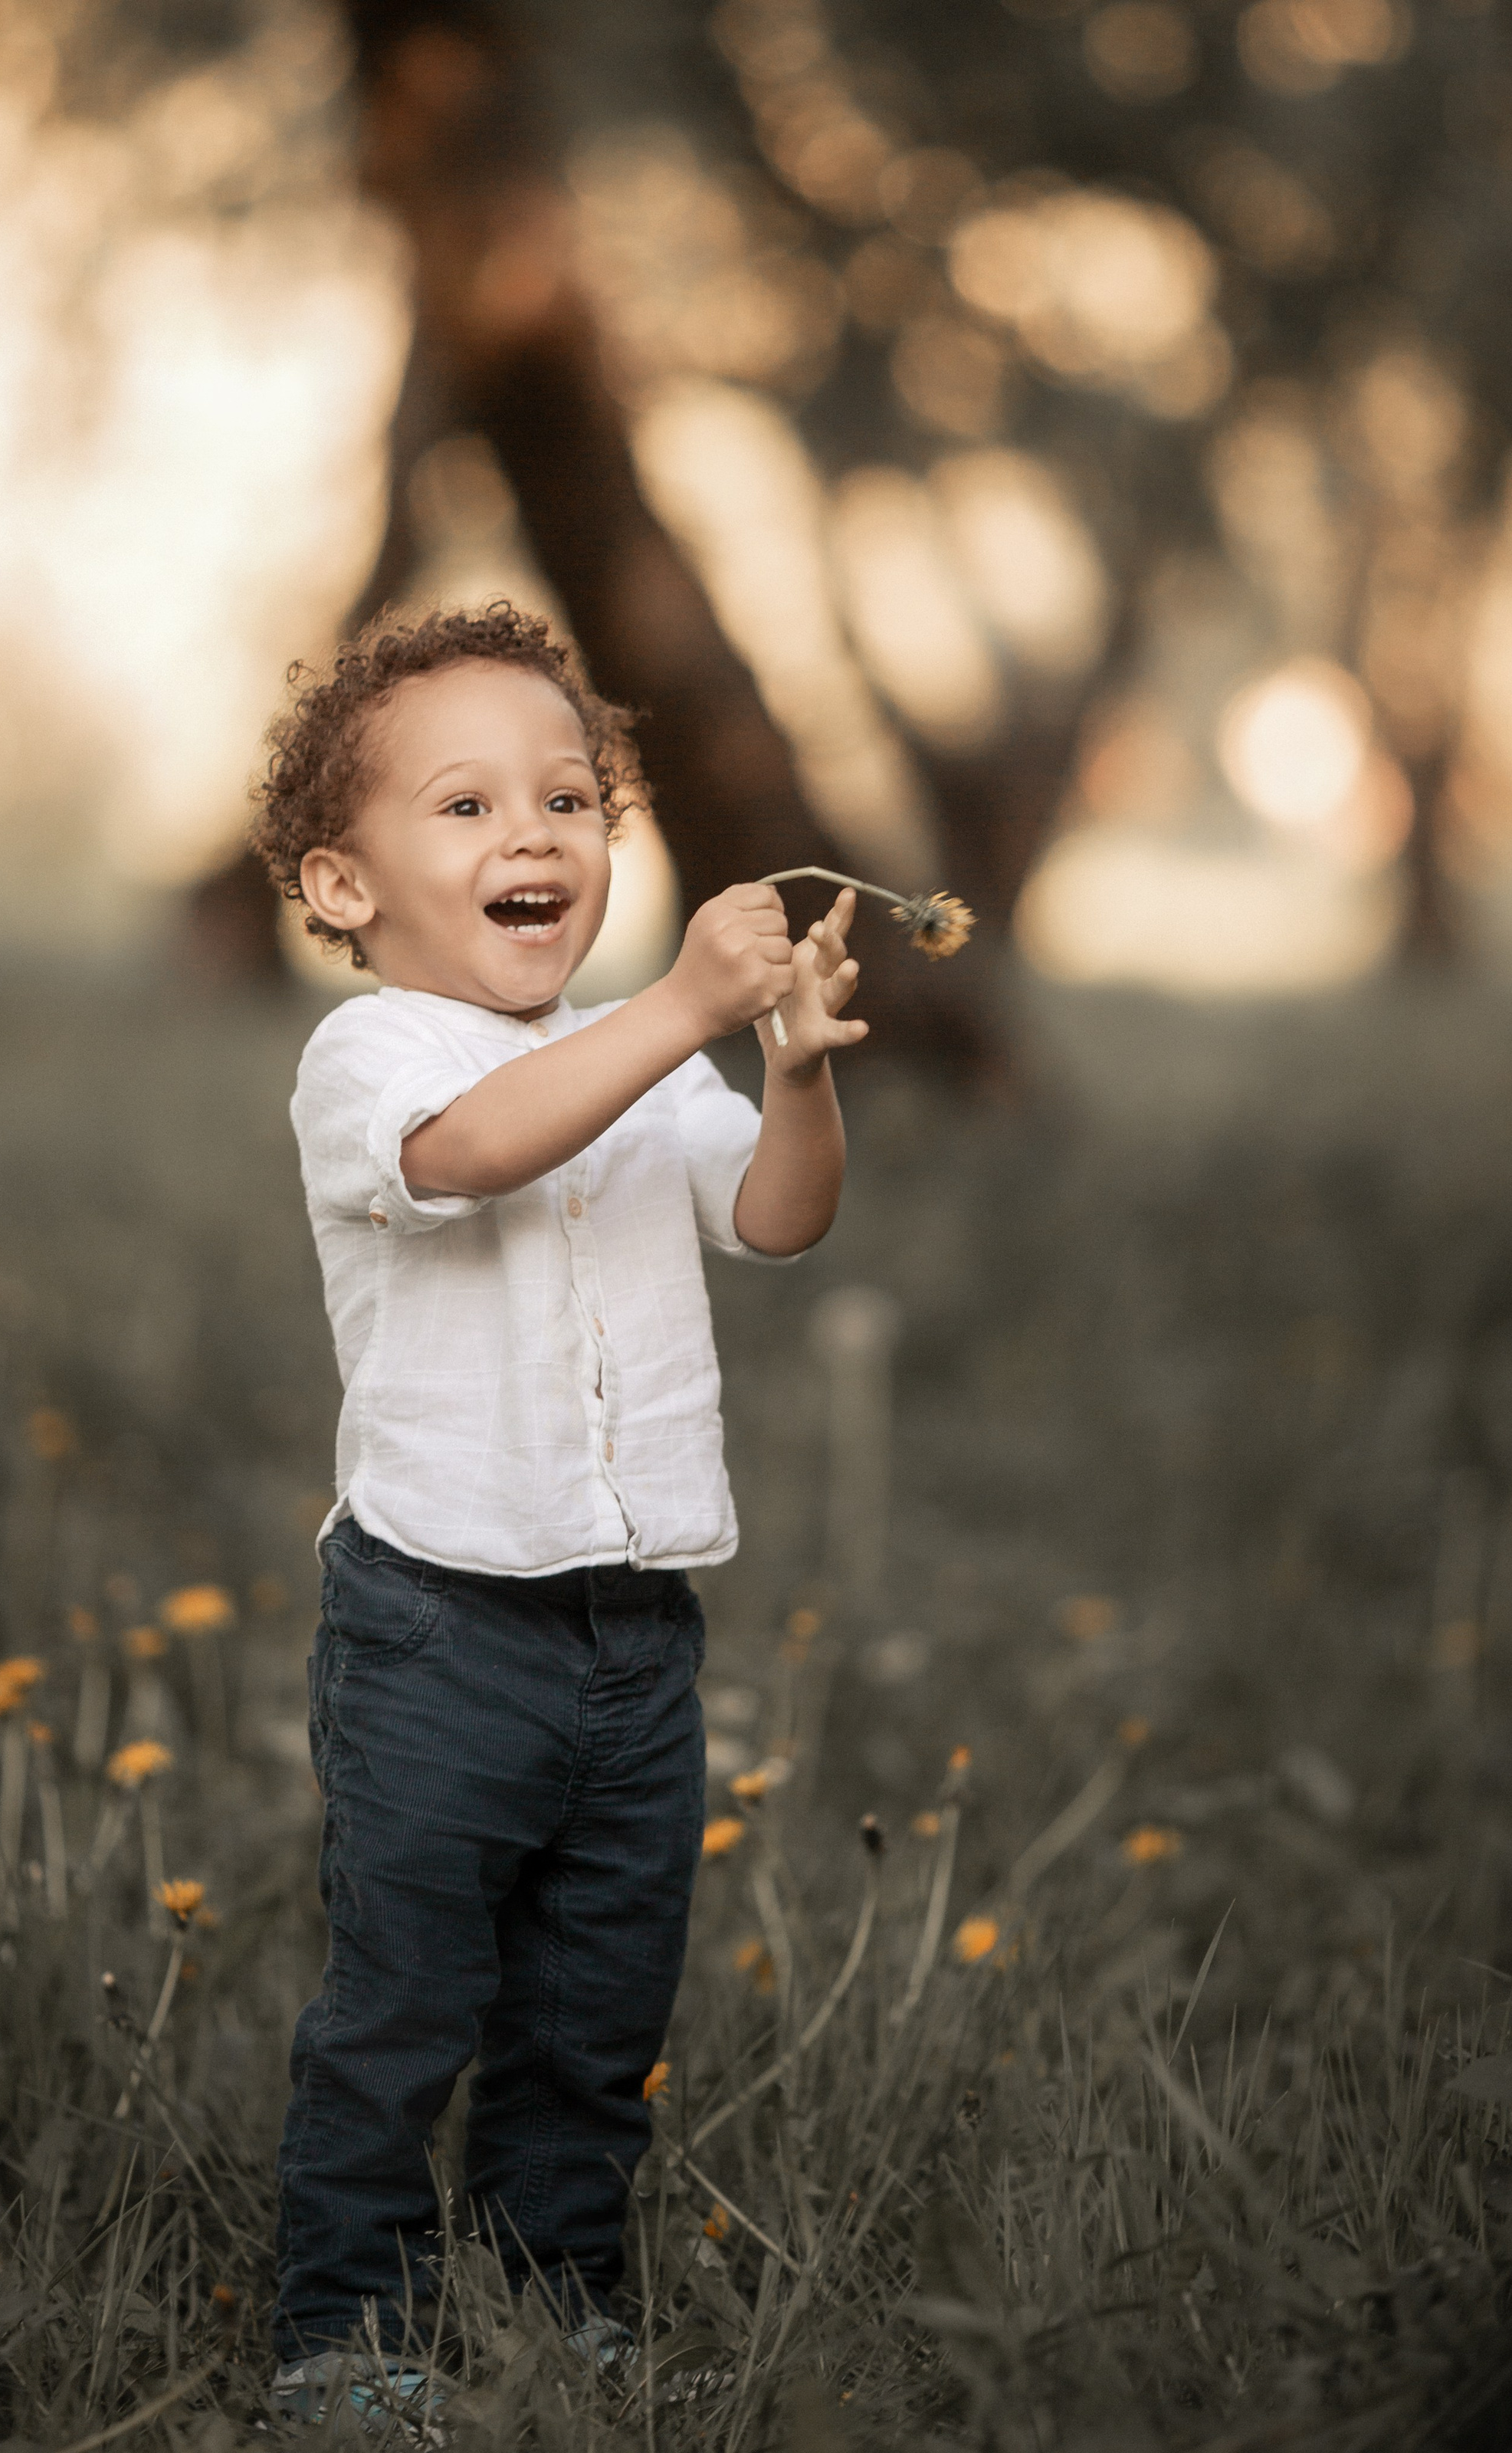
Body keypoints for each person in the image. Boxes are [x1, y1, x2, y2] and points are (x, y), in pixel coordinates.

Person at [248, 603, 864, 2428]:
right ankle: (346, 2332)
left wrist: (792, 1069)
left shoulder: (646, 1055)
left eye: (567, 797)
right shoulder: (372, 1060)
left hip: (632, 1633)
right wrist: (680, 1007)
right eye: (465, 806)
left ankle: (552, 2296)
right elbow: (464, 1156)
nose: (532, 832)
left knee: (595, 2010)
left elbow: (775, 1219)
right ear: (342, 884)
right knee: (404, 2005)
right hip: (437, 1629)